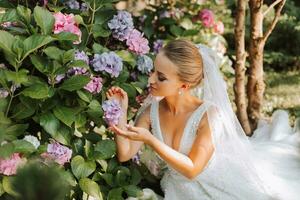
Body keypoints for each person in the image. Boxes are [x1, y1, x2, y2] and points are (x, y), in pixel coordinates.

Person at [107, 39, 300, 200]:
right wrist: (120, 111)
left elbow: (192, 169)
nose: (150, 80)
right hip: (177, 189)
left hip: (214, 184)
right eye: (153, 71)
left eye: (161, 77)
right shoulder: (151, 111)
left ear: (184, 85)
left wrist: (150, 140)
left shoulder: (209, 115)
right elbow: (125, 154)